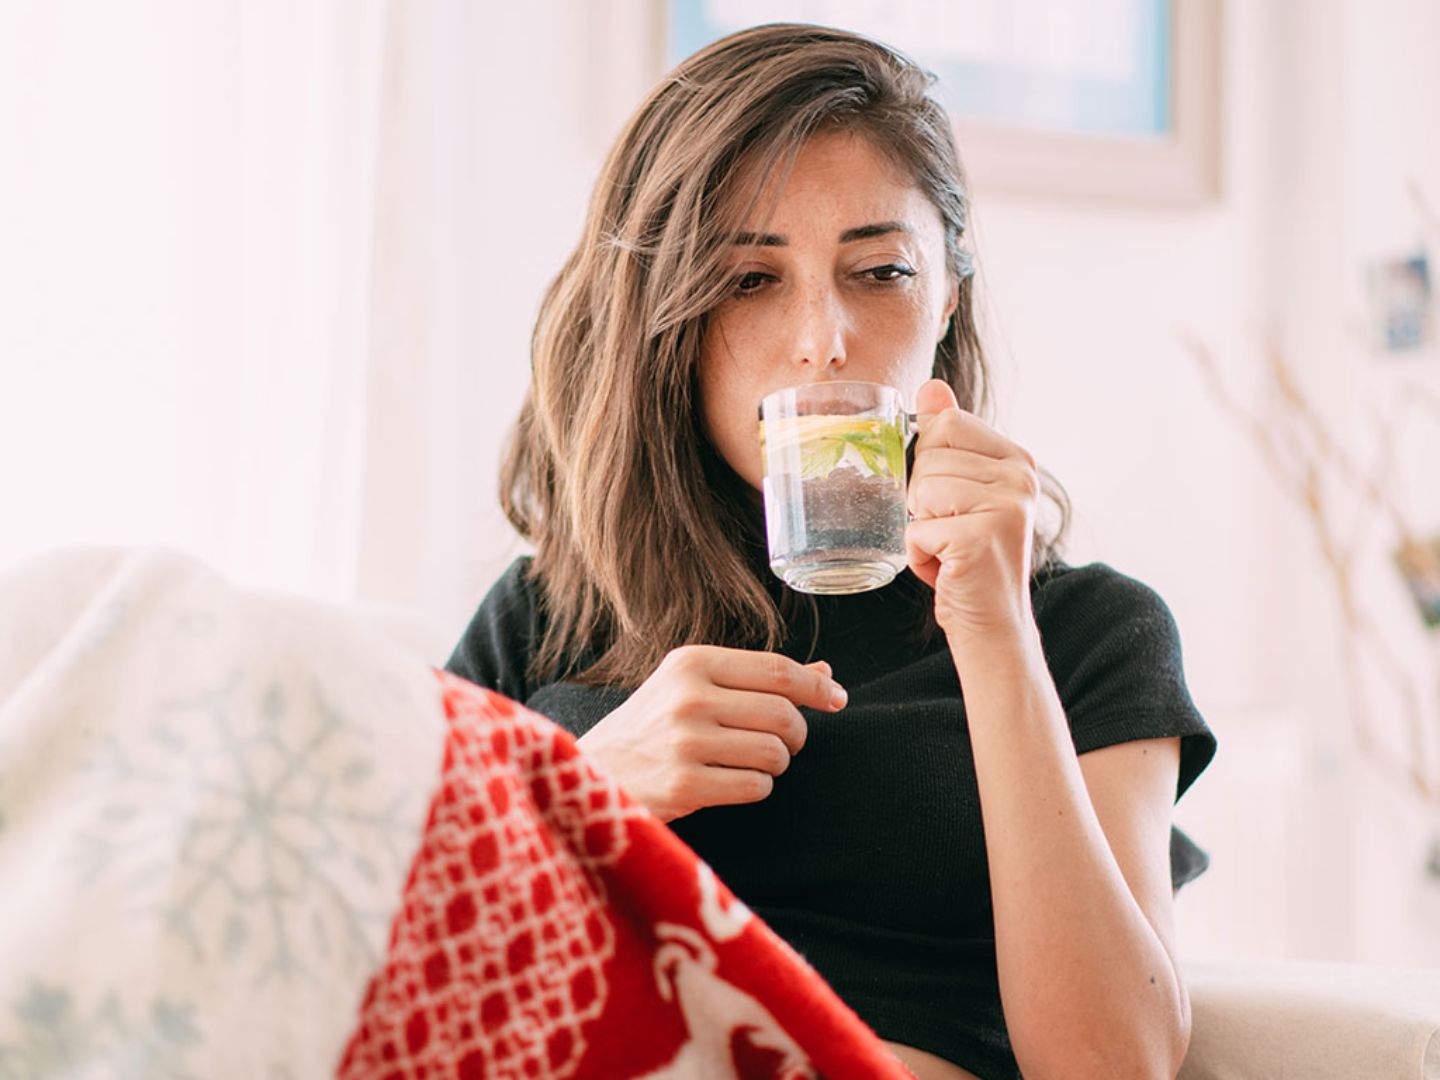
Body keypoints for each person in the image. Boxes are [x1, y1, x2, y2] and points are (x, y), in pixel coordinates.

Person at [447, 23, 1216, 1080]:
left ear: (947, 297)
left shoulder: (1088, 634)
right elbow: (389, 965)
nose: (824, 340)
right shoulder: (546, 614)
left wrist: (995, 632)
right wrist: (586, 796)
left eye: (881, 271)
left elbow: (1112, 1066)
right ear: (666, 317)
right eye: (749, 280)